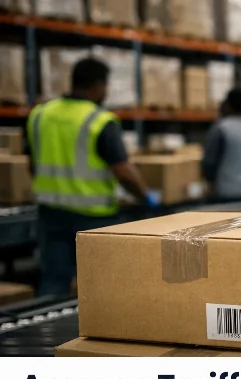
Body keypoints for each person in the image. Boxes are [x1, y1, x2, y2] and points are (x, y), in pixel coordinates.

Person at [26, 57, 155, 297]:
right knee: (101, 287)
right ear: (98, 85)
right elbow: (123, 171)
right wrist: (145, 197)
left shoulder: (40, 114)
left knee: (53, 282)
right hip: (93, 218)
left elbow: (32, 163)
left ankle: (52, 333)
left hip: (50, 213)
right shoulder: (100, 120)